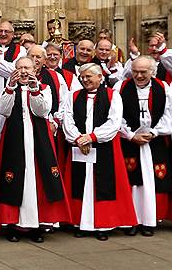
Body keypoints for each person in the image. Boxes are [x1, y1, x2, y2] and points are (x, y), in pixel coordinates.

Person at [0, 56, 71, 241]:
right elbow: (2, 109)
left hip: (38, 141)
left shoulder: (43, 88)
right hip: (15, 139)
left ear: (35, 70)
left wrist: (34, 89)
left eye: (27, 68)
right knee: (15, 179)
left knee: (37, 179)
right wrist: (10, 87)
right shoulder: (10, 89)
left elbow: (43, 111)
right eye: (19, 68)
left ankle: (37, 225)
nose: (23, 72)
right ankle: (14, 224)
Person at [59, 63, 138, 239]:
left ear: (100, 77)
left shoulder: (112, 96)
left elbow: (114, 122)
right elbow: (68, 120)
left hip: (104, 146)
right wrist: (79, 138)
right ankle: (80, 223)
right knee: (80, 184)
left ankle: (104, 224)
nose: (85, 80)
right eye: (83, 77)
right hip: (80, 146)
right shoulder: (73, 95)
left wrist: (93, 137)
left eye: (89, 76)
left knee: (102, 185)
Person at [115, 56, 172, 235]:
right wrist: (131, 135)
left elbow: (168, 114)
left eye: (143, 72)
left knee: (152, 183)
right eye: (135, 71)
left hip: (155, 140)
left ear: (152, 71)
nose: (138, 76)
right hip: (129, 142)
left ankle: (149, 221)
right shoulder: (121, 87)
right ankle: (132, 221)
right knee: (133, 183)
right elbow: (116, 116)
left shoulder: (163, 87)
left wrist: (154, 132)